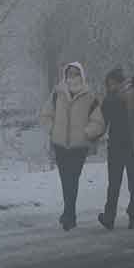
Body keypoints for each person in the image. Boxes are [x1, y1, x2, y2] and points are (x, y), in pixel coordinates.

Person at [40, 62, 104, 231]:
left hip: (78, 146)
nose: (72, 76)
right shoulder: (57, 93)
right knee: (65, 180)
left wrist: (87, 133)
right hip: (60, 144)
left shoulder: (90, 96)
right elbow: (46, 114)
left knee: (72, 180)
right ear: (65, 75)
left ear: (81, 75)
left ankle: (69, 215)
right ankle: (69, 213)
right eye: (69, 73)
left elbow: (98, 120)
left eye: (76, 73)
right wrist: (52, 130)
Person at [99, 70, 134, 230]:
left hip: (116, 147)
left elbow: (102, 123)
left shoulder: (110, 99)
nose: (109, 86)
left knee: (114, 184)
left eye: (110, 83)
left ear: (115, 82)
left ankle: (109, 218)